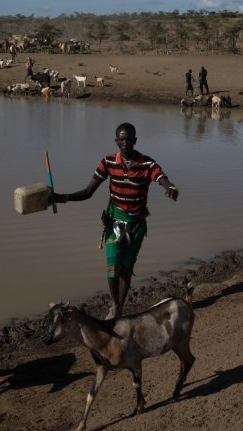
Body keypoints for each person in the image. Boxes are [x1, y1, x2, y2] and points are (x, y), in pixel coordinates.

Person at [51, 122, 179, 319]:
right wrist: (63, 197)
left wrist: (170, 188)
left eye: (129, 139)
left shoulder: (147, 164)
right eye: (122, 139)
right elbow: (88, 192)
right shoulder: (108, 163)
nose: (126, 142)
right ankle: (115, 304)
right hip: (115, 221)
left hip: (136, 224)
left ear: (135, 140)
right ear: (116, 141)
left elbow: (161, 178)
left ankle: (119, 307)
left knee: (126, 269)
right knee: (112, 265)